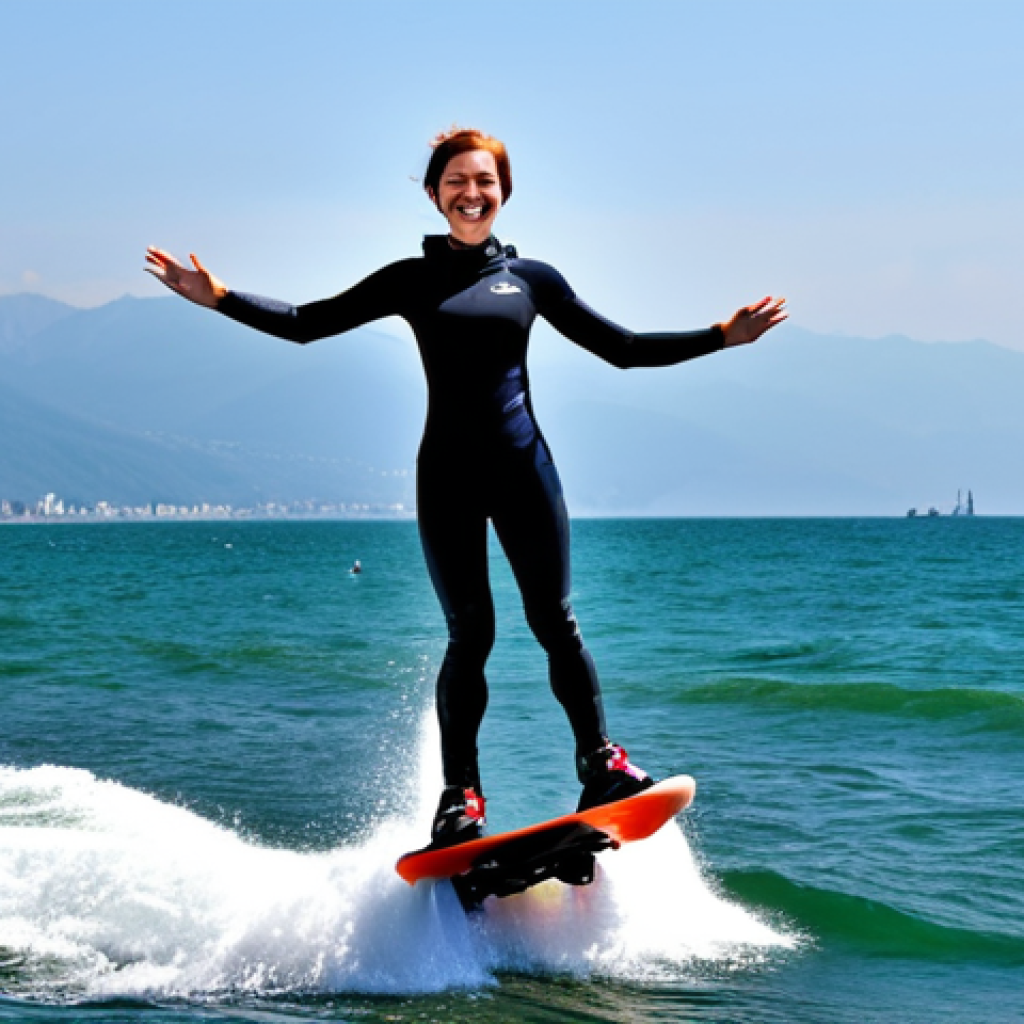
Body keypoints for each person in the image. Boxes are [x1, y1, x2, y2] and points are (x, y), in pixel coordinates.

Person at [146, 128, 786, 848]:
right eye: (455, 181)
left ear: (502, 193)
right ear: (432, 194)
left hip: (524, 470)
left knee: (555, 622)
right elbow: (305, 324)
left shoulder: (533, 280)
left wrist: (719, 336)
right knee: (470, 636)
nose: (470, 193)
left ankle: (601, 764)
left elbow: (624, 348)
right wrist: (220, 297)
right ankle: (461, 800)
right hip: (446, 476)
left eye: (484, 181)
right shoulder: (408, 279)